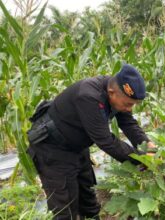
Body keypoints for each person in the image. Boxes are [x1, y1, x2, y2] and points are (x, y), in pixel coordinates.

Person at [26, 64, 156, 220]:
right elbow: (106, 141)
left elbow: (128, 123)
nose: (130, 108)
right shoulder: (88, 96)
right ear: (111, 92)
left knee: (88, 199)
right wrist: (141, 159)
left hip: (77, 146)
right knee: (65, 208)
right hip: (53, 150)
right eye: (128, 104)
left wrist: (147, 144)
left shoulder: (116, 95)